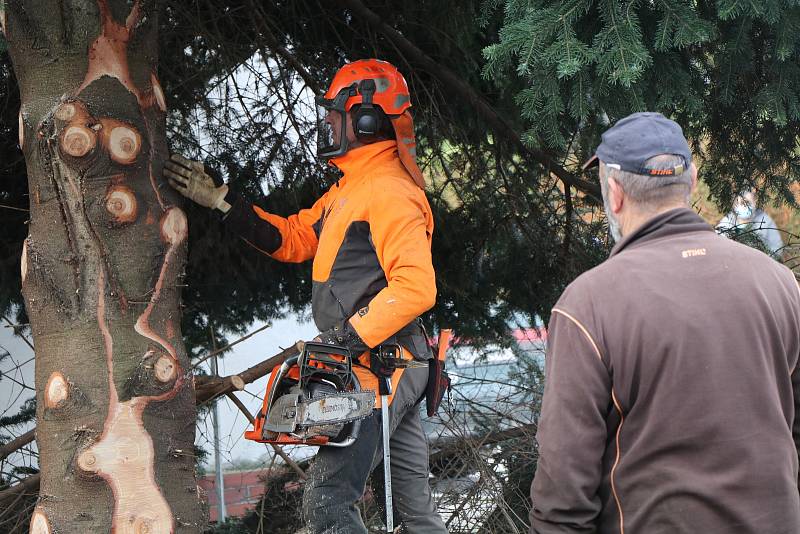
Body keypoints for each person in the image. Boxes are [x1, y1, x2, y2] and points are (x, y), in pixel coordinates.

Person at [164, 59, 447, 533]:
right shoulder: (351, 189)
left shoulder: (389, 191)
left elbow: (416, 286)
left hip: (383, 366)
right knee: (415, 513)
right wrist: (222, 201)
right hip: (388, 362)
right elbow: (295, 238)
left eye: (334, 114)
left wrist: (347, 339)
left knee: (328, 500)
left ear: (365, 119)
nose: (326, 124)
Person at [530, 112, 800, 534]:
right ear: (691, 181)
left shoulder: (589, 304)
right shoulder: (779, 283)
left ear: (614, 195)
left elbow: (563, 493)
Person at [717, 189, 784, 256]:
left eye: (747, 202)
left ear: (754, 202)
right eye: (740, 203)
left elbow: (777, 248)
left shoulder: (765, 222)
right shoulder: (726, 222)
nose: (744, 206)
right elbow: (718, 247)